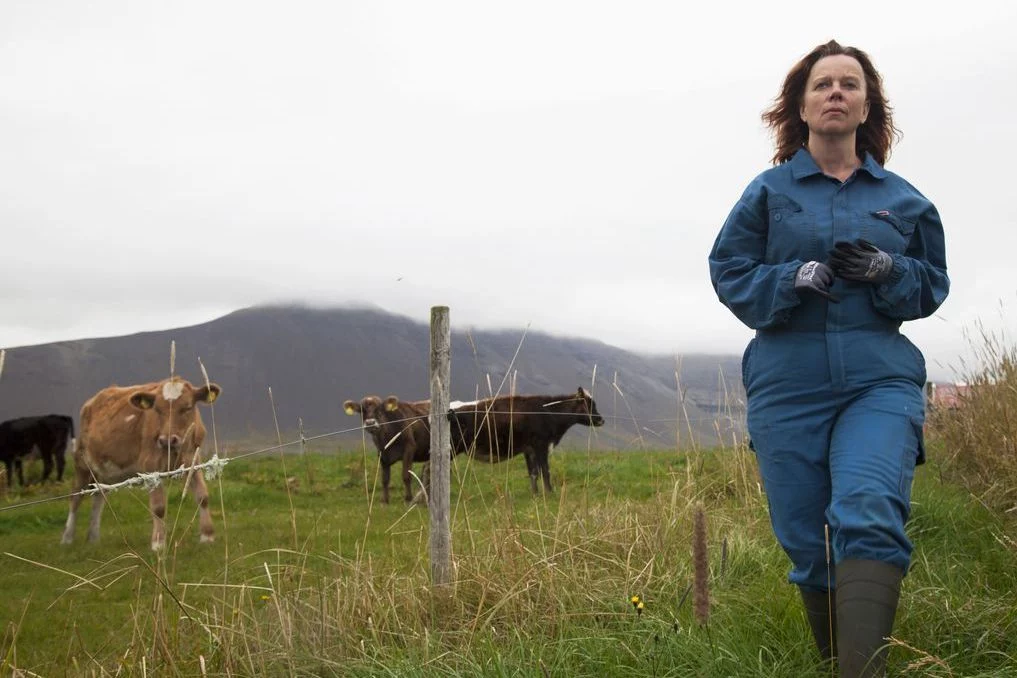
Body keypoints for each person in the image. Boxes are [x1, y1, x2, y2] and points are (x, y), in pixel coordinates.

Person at [708, 40, 949, 677]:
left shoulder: (904, 200)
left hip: (879, 380)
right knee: (809, 544)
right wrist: (791, 278)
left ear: (868, 107)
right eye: (823, 84)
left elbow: (931, 285)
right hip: (787, 383)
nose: (836, 92)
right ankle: (838, 661)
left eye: (849, 84)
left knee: (867, 512)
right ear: (801, 106)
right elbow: (729, 271)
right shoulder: (767, 193)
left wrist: (889, 269)